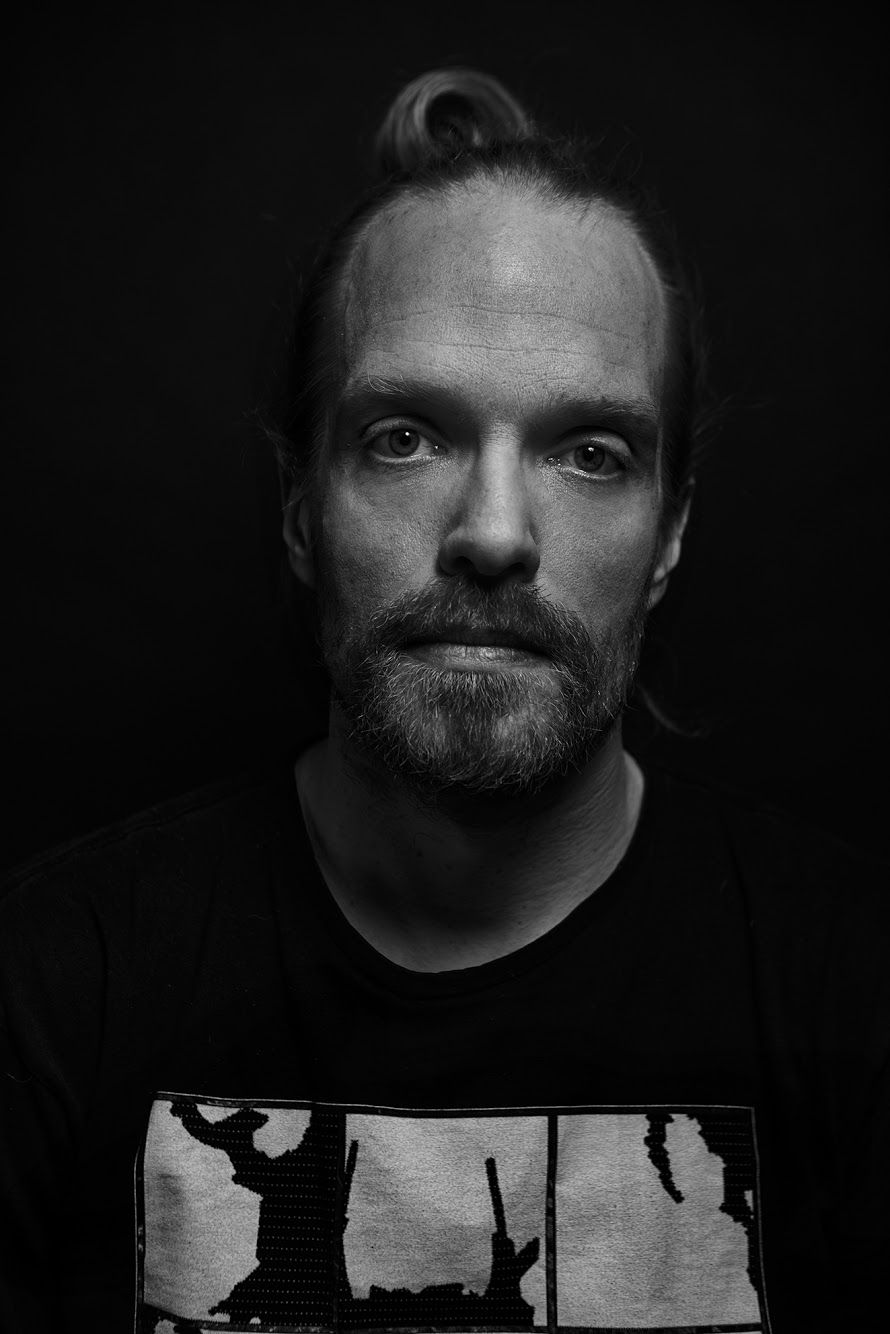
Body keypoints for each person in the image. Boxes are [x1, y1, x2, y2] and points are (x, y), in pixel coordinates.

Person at [1, 68, 886, 1334]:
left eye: (590, 453)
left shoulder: (849, 989)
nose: (493, 532)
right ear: (301, 506)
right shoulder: (51, 987)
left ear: (668, 535)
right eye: (405, 435)